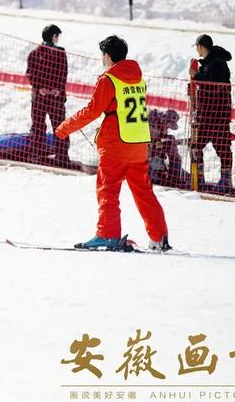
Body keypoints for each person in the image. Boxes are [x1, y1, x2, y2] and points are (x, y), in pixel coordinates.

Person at [56, 35, 170, 251]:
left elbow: (92, 111)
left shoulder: (108, 79)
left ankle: (107, 235)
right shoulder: (138, 79)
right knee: (144, 193)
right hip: (138, 144)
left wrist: (64, 128)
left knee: (107, 191)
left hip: (116, 146)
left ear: (107, 56)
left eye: (103, 55)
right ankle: (159, 237)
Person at [189, 34, 233, 192]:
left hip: (217, 114)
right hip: (207, 113)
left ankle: (226, 180)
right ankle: (198, 177)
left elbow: (213, 86)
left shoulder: (217, 63)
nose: (197, 50)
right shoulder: (209, 63)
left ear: (201, 47)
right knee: (196, 145)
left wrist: (196, 76)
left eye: (197, 47)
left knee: (222, 147)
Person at [26, 24, 70, 167]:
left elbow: (31, 74)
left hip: (47, 97)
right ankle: (53, 157)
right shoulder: (43, 53)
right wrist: (47, 89)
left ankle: (45, 156)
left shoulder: (38, 53)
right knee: (52, 127)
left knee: (45, 126)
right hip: (48, 98)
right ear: (53, 36)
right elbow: (62, 74)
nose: (58, 38)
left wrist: (48, 89)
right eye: (57, 36)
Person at [148, 108, 189, 189]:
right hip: (144, 159)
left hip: (157, 157)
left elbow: (161, 141)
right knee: (155, 179)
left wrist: (167, 142)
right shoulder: (151, 125)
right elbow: (150, 146)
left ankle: (174, 178)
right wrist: (160, 144)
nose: (167, 129)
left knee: (171, 143)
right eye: (167, 126)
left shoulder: (161, 127)